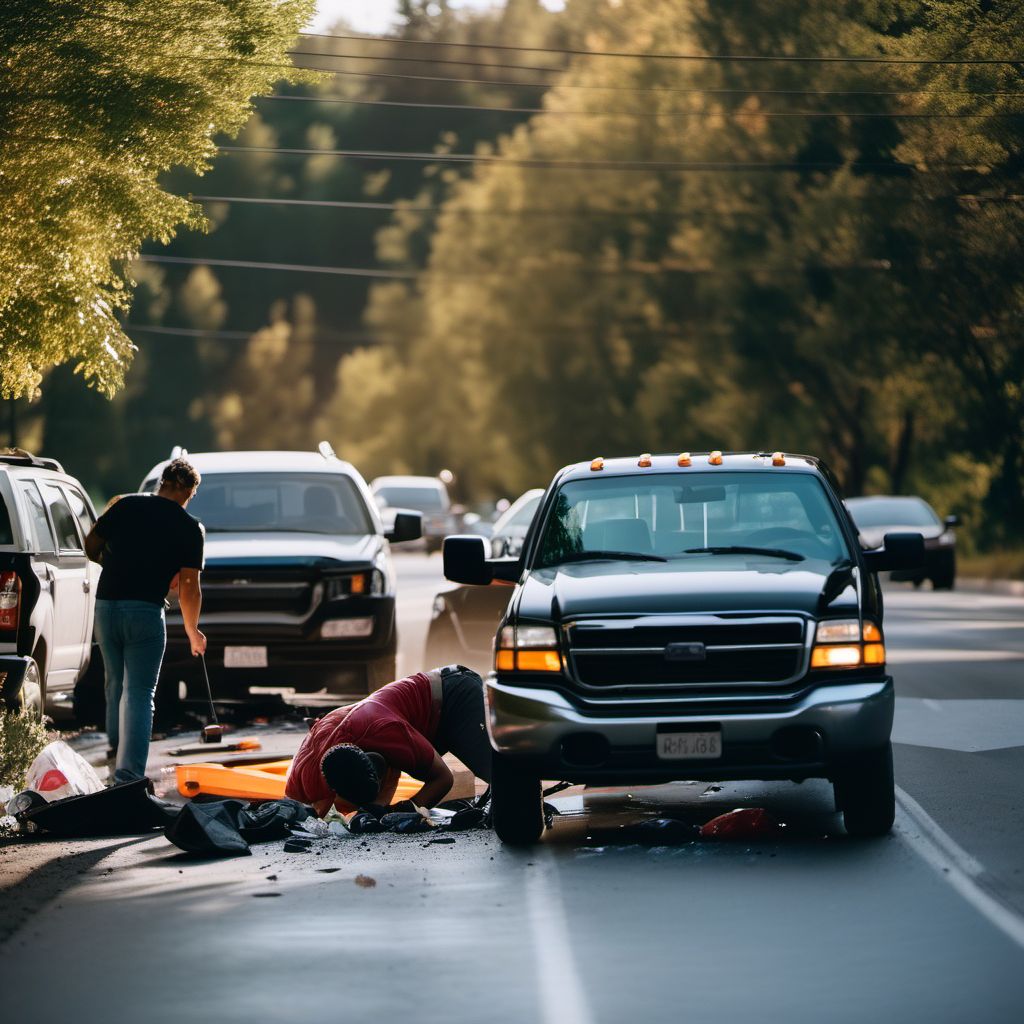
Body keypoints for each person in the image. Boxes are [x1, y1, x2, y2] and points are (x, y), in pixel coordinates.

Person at [84, 458, 206, 783]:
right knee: (139, 692)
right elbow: (190, 588)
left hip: (106, 606)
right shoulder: (189, 527)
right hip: (145, 612)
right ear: (189, 492)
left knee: (115, 681)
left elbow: (90, 545)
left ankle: (114, 748)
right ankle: (129, 775)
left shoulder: (124, 506)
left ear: (162, 483)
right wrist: (193, 632)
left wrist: (113, 561)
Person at [285, 665, 492, 816]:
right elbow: (297, 810)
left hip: (454, 695)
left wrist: (406, 809)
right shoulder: (305, 773)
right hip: (401, 723)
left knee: (498, 776)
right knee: (375, 811)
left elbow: (443, 779)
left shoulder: (386, 731)